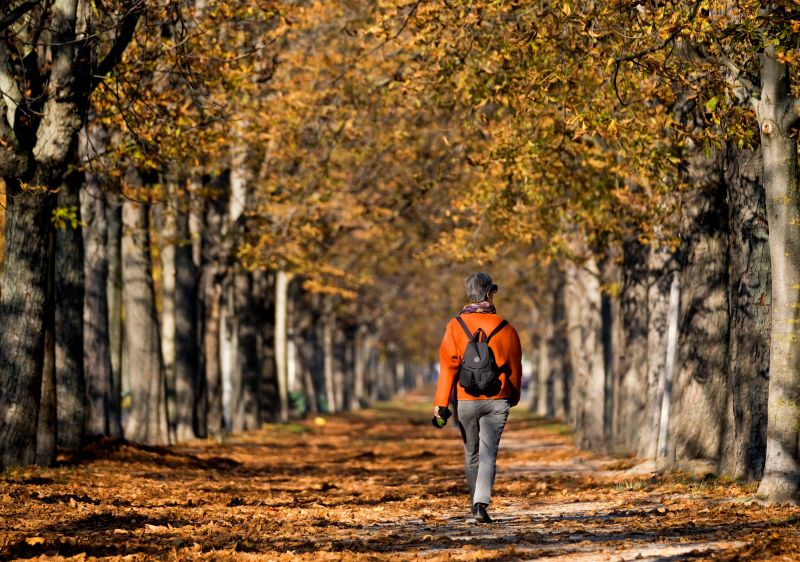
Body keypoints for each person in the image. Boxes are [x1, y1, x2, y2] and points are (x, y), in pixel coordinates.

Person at [433, 272, 523, 523]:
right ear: (490, 293)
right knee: (488, 453)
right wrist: (512, 395)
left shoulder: (455, 326)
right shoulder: (506, 328)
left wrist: (440, 404)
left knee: (471, 453)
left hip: (466, 400)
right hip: (497, 399)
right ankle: (480, 503)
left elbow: (448, 368)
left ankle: (476, 506)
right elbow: (515, 367)